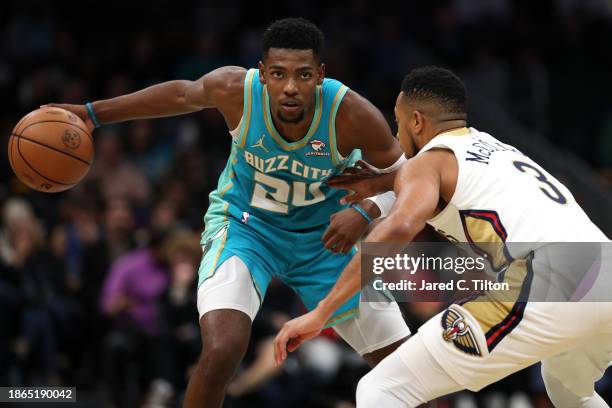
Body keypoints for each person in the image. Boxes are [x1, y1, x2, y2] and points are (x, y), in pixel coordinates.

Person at [46, 17, 411, 408]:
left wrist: (367, 211)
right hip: (246, 229)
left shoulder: (350, 113)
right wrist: (95, 113)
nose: (290, 86)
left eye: (303, 74)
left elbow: (408, 175)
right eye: (279, 74)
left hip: (325, 243)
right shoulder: (236, 90)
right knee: (223, 349)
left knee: (406, 373)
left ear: (320, 75)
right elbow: (181, 95)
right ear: (262, 74)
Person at [274, 66, 612, 407]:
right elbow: (423, 184)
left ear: (417, 122)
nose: (397, 131)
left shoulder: (430, 163)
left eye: (398, 122)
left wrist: (322, 312)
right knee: (570, 390)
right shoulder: (492, 147)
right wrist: (377, 198)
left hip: (550, 279)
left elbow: (400, 227)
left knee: (382, 389)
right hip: (604, 271)